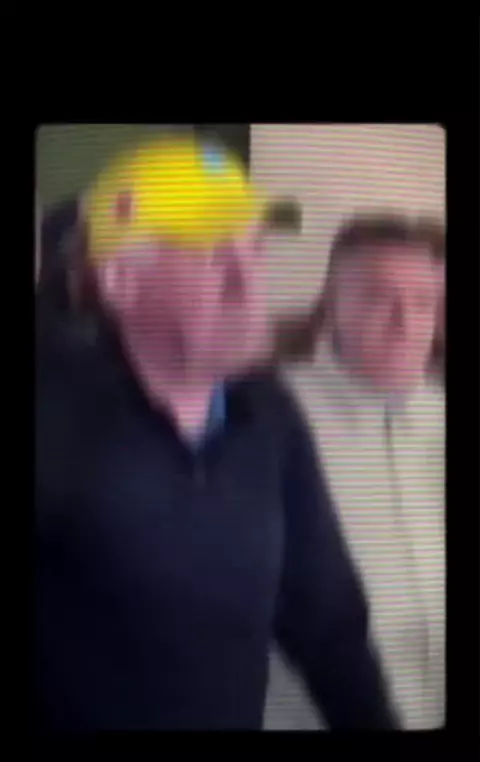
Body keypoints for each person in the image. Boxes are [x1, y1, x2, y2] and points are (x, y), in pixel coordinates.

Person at [35, 133, 398, 731]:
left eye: (254, 252)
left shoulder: (269, 413)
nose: (249, 284)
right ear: (121, 282)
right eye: (212, 258)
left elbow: (327, 619)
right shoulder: (55, 412)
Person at [265, 213, 445, 730]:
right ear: (331, 305)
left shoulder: (440, 414)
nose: (405, 322)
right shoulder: (271, 416)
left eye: (424, 302)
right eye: (379, 298)